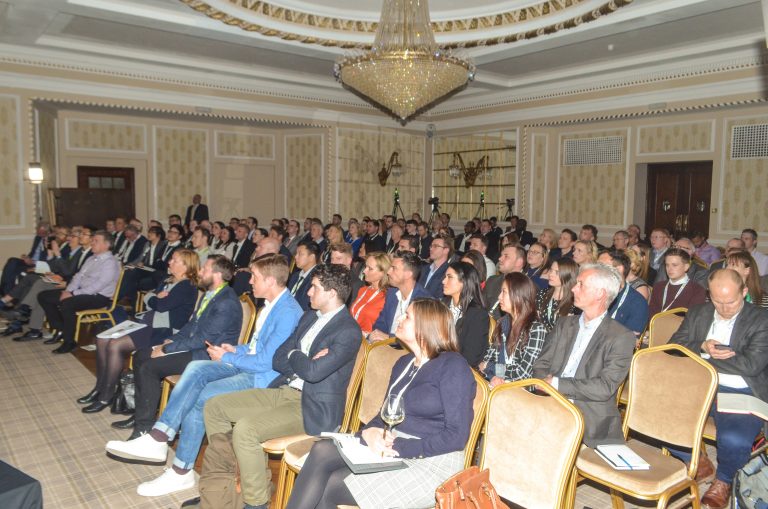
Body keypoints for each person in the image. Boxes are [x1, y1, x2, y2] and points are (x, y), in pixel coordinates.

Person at [105, 254, 303, 497]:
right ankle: (160, 437)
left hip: (262, 378)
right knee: (196, 369)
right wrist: (233, 349)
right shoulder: (270, 304)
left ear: (271, 281)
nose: (250, 281)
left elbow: (266, 362)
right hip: (247, 364)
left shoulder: (287, 312)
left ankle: (181, 470)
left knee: (204, 396)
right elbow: (256, 348)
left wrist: (229, 357)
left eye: (255, 277)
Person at [286, 299, 476, 509]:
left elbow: (457, 436)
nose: (401, 319)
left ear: (426, 325)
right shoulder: (403, 363)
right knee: (322, 450)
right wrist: (369, 432)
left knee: (332, 485)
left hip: (431, 460)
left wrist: (400, 447)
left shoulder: (452, 366)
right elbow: (384, 415)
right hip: (391, 445)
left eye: (408, 316)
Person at [200, 264, 361, 509]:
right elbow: (278, 359)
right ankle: (230, 483)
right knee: (214, 407)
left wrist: (297, 355)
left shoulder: (348, 331)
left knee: (245, 430)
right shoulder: (309, 317)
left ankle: (256, 503)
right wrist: (303, 357)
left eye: (314, 287)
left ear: (331, 293)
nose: (307, 292)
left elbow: (313, 373)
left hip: (310, 407)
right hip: (282, 389)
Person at [113, 255, 242, 437]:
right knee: (141, 355)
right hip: (196, 347)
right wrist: (172, 340)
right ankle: (141, 414)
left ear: (217, 275)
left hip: (207, 355)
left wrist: (166, 349)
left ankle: (144, 427)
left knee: (150, 367)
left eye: (204, 269)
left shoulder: (226, 302)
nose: (199, 271)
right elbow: (192, 325)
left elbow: (203, 340)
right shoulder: (211, 294)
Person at [670, 269, 768, 509]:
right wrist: (702, 345)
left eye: (731, 302)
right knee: (654, 416)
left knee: (734, 440)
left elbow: (751, 364)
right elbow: (673, 346)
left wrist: (703, 356)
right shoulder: (698, 313)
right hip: (699, 384)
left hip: (741, 389)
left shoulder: (761, 320)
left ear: (744, 293)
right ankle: (698, 461)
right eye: (717, 301)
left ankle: (723, 480)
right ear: (709, 295)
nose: (724, 308)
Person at [78, 249, 199, 413]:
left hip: (164, 330)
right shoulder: (168, 280)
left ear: (186, 266)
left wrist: (154, 298)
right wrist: (154, 297)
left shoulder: (187, 286)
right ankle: (99, 388)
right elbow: (152, 299)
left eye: (175, 260)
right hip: (148, 323)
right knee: (102, 339)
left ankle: (106, 396)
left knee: (115, 345)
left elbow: (160, 305)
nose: (169, 262)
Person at [532, 263, 636, 447]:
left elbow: (604, 387)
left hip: (588, 416)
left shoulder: (621, 337)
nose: (573, 288)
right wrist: (546, 388)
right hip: (549, 403)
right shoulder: (564, 324)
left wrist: (556, 384)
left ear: (600, 294)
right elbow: (541, 364)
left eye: (580, 284)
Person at [38, 230, 121, 354]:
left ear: (107, 245)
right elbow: (78, 277)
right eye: (92, 240)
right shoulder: (91, 259)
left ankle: (69, 342)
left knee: (68, 303)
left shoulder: (110, 262)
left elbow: (98, 286)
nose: (92, 243)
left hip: (98, 297)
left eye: (96, 241)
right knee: (44, 296)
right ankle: (60, 329)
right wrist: (68, 291)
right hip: (81, 292)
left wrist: (72, 294)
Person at [480, 273, 547, 386]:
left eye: (504, 292)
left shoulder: (536, 329)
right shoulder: (503, 323)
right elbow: (486, 360)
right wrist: (495, 377)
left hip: (521, 392)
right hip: (497, 384)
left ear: (518, 295)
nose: (499, 297)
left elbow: (523, 374)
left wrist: (491, 368)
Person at [368, 251, 433, 342]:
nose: (388, 272)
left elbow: (419, 338)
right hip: (384, 347)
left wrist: (389, 339)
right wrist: (376, 337)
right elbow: (380, 323)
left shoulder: (425, 302)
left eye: (393, 268)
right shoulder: (392, 293)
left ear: (408, 274)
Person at [441, 261, 488, 368]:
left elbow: (470, 358)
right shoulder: (442, 305)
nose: (443, 281)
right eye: (445, 277)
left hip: (459, 369)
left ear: (464, 281)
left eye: (449, 277)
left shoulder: (478, 315)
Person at [597, 251, 649, 336]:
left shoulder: (637, 303)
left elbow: (628, 341)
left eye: (601, 266)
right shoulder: (592, 292)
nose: (595, 270)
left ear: (619, 269)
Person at [648, 248, 707, 317]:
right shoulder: (658, 287)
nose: (670, 269)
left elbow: (692, 319)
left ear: (686, 267)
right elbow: (651, 315)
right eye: (667, 265)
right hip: (655, 326)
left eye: (674, 265)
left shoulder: (697, 290)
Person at [0, 222, 50, 295]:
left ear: (47, 232)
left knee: (17, 269)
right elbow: (33, 252)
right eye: (38, 232)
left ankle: (6, 292)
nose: (39, 235)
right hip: (30, 261)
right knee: (12, 261)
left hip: (38, 265)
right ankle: (5, 289)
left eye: (42, 233)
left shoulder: (49, 242)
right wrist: (26, 257)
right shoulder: (37, 238)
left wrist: (33, 262)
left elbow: (46, 260)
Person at [349, 252, 389, 334]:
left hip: (369, 342)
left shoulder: (387, 297)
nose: (364, 271)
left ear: (383, 273)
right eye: (365, 267)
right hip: (352, 334)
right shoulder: (362, 290)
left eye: (370, 269)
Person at [483, 244, 526, 319]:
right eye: (501, 255)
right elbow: (481, 306)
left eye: (506, 256)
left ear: (518, 262)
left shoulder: (527, 287)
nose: (499, 258)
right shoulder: (492, 280)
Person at [535, 258, 579, 331]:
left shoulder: (575, 301)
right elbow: (536, 322)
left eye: (557, 272)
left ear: (568, 275)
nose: (551, 274)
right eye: (551, 270)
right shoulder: (542, 294)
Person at [288, 241, 320, 311]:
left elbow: (306, 305)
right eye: (296, 253)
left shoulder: (318, 278)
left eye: (300, 254)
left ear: (312, 257)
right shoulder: (295, 275)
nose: (295, 257)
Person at [418, 234, 452, 298]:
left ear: (446, 250)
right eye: (431, 246)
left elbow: (440, 298)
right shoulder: (424, 268)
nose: (430, 249)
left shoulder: (448, 272)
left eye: (435, 246)